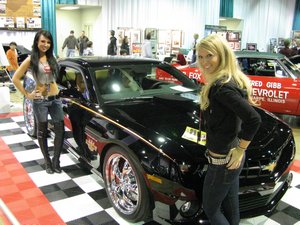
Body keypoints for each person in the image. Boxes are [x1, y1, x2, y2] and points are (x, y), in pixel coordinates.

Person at [197, 34, 261, 225]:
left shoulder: (221, 87)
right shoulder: (229, 80)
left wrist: (241, 148)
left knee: (211, 208)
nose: (204, 62)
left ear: (222, 55)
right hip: (230, 159)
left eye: (209, 55)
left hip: (223, 162)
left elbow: (253, 119)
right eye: (200, 57)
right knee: (231, 204)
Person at [12, 30, 65, 174]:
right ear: (37, 42)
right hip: (40, 100)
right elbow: (15, 78)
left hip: (55, 99)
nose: (45, 44)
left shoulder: (52, 58)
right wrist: (27, 95)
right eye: (42, 41)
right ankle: (47, 162)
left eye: (48, 42)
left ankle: (56, 161)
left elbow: (55, 78)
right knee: (42, 131)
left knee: (60, 129)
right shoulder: (31, 59)